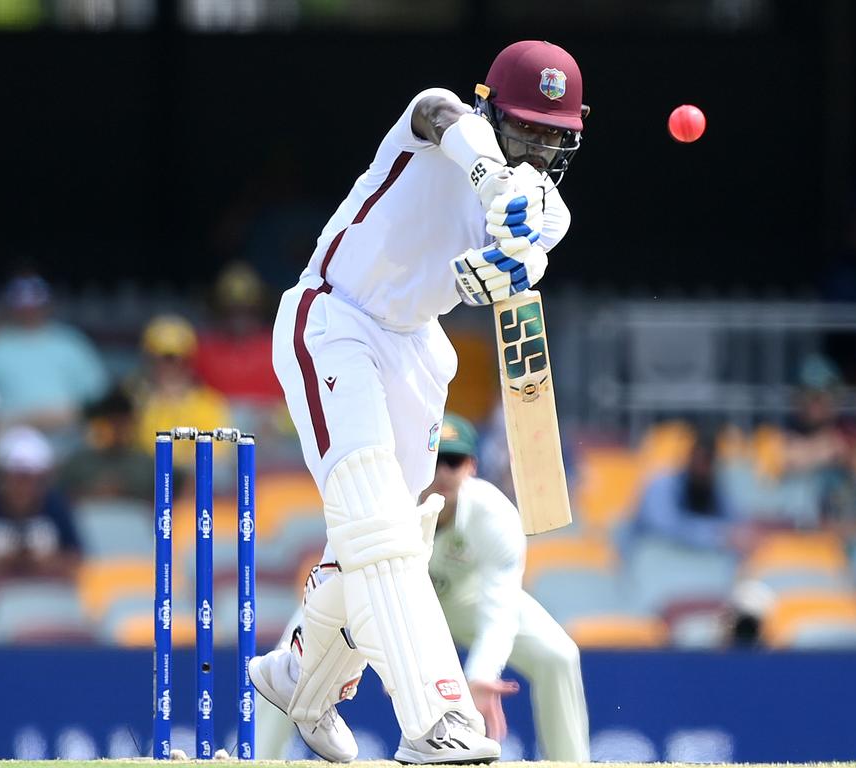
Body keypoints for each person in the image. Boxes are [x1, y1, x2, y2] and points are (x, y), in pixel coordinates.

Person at [250, 40, 588, 765]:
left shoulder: (549, 213)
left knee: (382, 540)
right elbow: (438, 113)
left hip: (417, 349)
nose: (538, 149)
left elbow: (528, 257)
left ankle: (296, 680)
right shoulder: (441, 125)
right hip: (335, 317)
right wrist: (493, 178)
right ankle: (437, 721)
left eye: (554, 137)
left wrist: (508, 265)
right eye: (525, 129)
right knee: (378, 527)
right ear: (490, 110)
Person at [254, 415, 590, 761]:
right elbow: (347, 574)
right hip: (379, 593)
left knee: (559, 654)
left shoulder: (496, 515)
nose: (442, 472)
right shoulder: (381, 503)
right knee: (286, 661)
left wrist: (480, 674)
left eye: (454, 461)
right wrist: (394, 660)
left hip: (465, 599)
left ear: (471, 467)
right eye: (436, 459)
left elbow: (499, 609)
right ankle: (260, 760)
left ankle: (571, 762)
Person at [0, 273, 109, 433]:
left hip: (69, 434)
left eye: (34, 304)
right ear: (9, 307)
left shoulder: (71, 343)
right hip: (11, 436)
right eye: (22, 305)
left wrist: (63, 415)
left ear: (48, 305)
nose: (29, 310)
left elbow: (98, 396)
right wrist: (19, 420)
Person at [0, 426, 82, 594]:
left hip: (45, 594)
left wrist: (40, 562)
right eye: (17, 478)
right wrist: (1, 562)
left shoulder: (56, 507)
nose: (23, 487)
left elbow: (74, 558)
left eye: (30, 478)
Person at [132, 314, 232, 468]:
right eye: (158, 359)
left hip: (191, 484)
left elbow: (215, 458)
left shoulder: (208, 403)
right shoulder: (134, 398)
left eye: (174, 359)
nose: (168, 367)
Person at [624, 429, 748, 552]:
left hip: (693, 559)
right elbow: (666, 527)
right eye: (698, 458)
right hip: (650, 553)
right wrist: (719, 534)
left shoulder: (711, 484)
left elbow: (733, 519)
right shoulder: (662, 483)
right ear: (689, 457)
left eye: (708, 461)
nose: (702, 466)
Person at [192, 262, 280, 403]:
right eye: (232, 310)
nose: (239, 318)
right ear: (220, 310)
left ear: (259, 309)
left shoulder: (277, 346)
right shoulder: (203, 349)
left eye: (246, 310)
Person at [60, 386, 151, 501]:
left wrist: (126, 492)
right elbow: (62, 499)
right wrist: (93, 492)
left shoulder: (147, 465)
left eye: (122, 424)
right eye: (111, 423)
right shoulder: (77, 463)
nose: (116, 430)